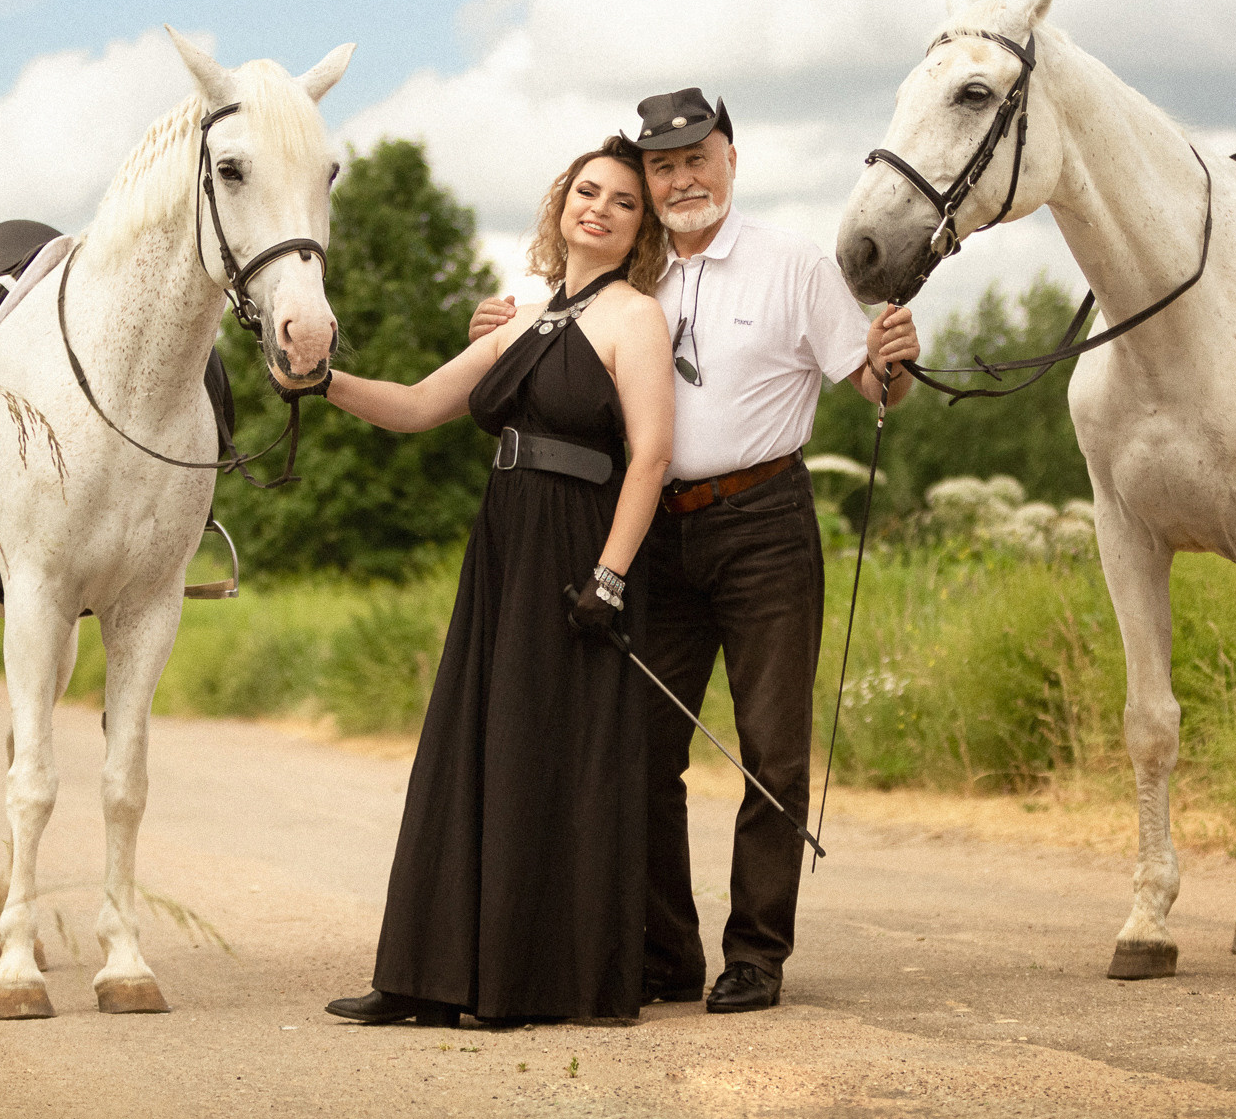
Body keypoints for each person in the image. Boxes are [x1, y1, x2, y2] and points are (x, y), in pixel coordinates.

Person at [471, 89, 919, 1016]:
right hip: (651, 534)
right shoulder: (622, 275)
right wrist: (497, 335)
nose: (681, 179)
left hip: (762, 525)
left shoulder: (794, 264)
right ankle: (666, 954)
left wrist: (897, 360)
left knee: (773, 752)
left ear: (730, 160)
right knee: (636, 748)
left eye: (696, 159)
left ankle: (756, 953)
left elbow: (872, 383)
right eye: (663, 166)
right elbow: (545, 357)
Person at [323, 138, 674, 1027]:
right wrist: (317, 381)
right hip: (504, 547)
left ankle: (519, 982)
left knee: (542, 754)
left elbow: (652, 457)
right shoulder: (526, 318)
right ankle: (427, 975)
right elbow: (412, 406)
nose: (598, 207)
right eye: (586, 191)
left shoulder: (636, 317)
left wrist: (610, 576)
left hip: (576, 549)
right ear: (562, 204)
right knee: (470, 746)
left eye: (622, 202)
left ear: (639, 230)